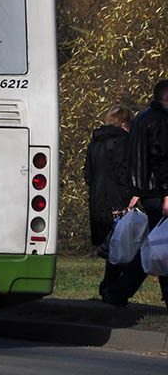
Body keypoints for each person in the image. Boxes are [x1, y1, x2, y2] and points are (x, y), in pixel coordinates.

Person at [108, 79, 168, 307]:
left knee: (160, 245)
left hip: (147, 191)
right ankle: (119, 291)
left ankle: (119, 290)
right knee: (156, 246)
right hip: (158, 193)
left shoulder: (143, 118)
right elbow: (161, 160)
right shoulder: (159, 121)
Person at [86, 105, 133, 304]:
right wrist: (130, 197)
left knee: (114, 247)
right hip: (118, 202)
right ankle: (112, 289)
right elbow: (124, 174)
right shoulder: (122, 142)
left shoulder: (94, 143)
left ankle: (109, 287)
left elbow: (87, 175)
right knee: (122, 247)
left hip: (98, 202)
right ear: (124, 124)